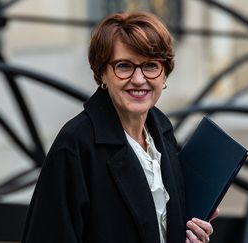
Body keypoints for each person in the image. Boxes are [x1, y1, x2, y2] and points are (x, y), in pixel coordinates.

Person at [21, 11, 218, 243]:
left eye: (151, 65)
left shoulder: (162, 131)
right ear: (102, 73)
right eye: (124, 66)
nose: (138, 79)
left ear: (164, 72)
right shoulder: (75, 146)